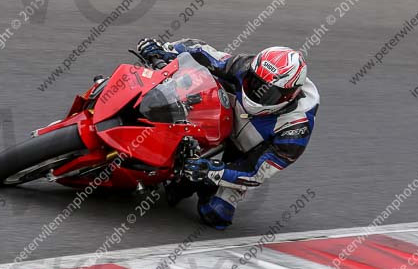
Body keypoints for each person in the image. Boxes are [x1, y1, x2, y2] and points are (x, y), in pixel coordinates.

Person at [137, 38, 319, 229]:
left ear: (289, 95)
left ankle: (189, 181)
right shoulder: (245, 66)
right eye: (253, 83)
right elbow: (202, 52)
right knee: (187, 84)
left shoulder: (296, 128)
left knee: (216, 213)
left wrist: (214, 172)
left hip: (244, 153)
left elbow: (255, 171)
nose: (256, 93)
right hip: (219, 117)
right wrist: (165, 49)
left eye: (267, 93)